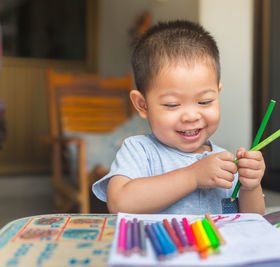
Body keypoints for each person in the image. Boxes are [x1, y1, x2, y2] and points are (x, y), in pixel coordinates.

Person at [92, 20, 266, 215]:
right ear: (142, 104)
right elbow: (120, 203)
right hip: (161, 246)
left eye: (205, 101)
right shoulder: (140, 151)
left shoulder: (225, 162)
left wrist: (251, 186)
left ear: (218, 93)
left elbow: (254, 219)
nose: (191, 116)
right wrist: (193, 176)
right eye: (172, 104)